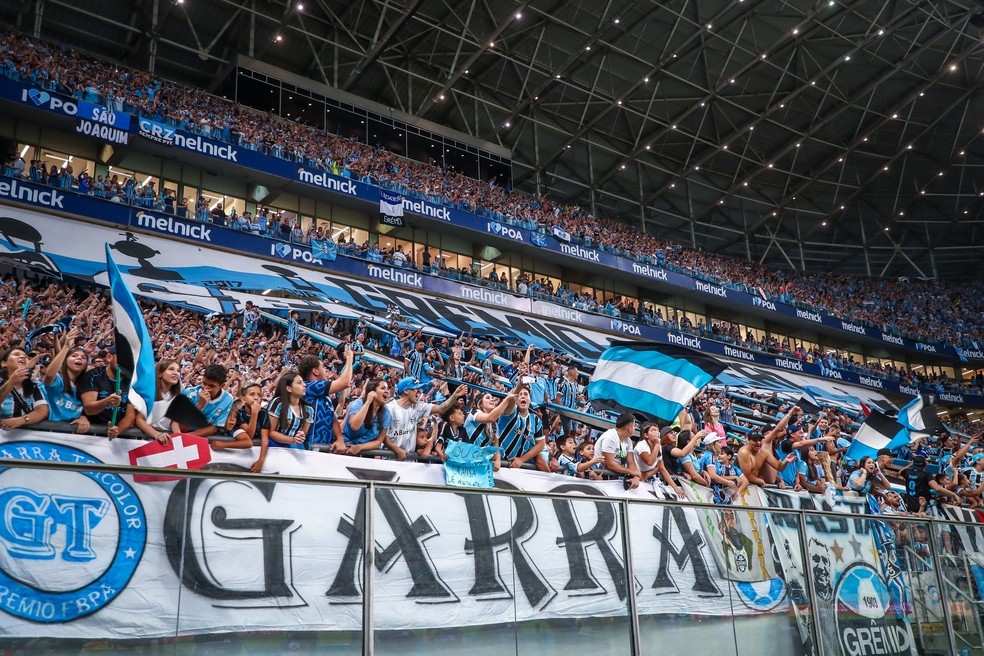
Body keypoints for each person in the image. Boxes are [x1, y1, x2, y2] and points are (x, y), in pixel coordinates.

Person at [385, 376, 467, 461]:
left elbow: (440, 409)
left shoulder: (418, 406)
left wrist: (454, 396)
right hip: (390, 459)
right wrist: (397, 450)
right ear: (406, 391)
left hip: (410, 461)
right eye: (415, 389)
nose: (418, 391)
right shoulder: (389, 408)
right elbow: (383, 435)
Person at [297, 349, 353, 453]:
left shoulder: (323, 394)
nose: (326, 370)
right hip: (309, 449)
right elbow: (344, 382)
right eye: (323, 367)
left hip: (324, 448)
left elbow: (332, 417)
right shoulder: (309, 386)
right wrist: (349, 359)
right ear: (315, 371)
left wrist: (340, 439)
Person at [40, 327, 89, 433]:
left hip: (67, 437)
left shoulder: (85, 387)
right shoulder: (59, 380)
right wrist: (66, 347)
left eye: (83, 357)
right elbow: (49, 375)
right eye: (74, 356)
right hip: (45, 432)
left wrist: (83, 417)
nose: (79, 358)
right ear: (65, 361)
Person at [79, 345, 134, 438]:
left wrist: (117, 430)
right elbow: (89, 409)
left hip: (119, 436)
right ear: (109, 357)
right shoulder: (93, 375)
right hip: (91, 435)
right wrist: (107, 401)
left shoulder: (132, 381)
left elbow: (130, 416)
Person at [176, 364, 234, 438]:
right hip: (185, 433)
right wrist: (199, 406)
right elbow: (182, 428)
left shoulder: (228, 399)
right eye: (204, 383)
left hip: (201, 438)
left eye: (211, 386)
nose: (206, 388)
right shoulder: (189, 393)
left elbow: (213, 428)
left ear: (222, 386)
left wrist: (188, 437)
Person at [497, 386, 547, 470]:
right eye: (519, 394)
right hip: (500, 462)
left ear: (530, 399)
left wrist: (521, 460)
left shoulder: (536, 420)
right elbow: (511, 401)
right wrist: (519, 385)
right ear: (515, 399)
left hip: (518, 466)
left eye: (526, 394)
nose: (523, 396)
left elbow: (541, 444)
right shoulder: (510, 412)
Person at [134, 359, 182, 444]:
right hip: (146, 440)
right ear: (159, 373)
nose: (176, 373)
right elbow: (139, 420)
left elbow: (174, 422)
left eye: (178, 371)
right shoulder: (149, 393)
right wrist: (157, 435)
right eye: (171, 369)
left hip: (166, 440)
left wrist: (179, 438)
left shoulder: (177, 396)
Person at [0, 346, 48, 430]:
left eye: (25, 356)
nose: (22, 357)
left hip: (23, 439)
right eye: (16, 354)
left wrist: (22, 420)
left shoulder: (33, 385)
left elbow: (42, 411)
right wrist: (11, 382)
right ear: (4, 363)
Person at [342, 377, 392, 455]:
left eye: (388, 389)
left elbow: (379, 441)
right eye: (383, 388)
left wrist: (360, 447)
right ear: (372, 391)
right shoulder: (357, 404)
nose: (387, 391)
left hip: (365, 451)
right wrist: (368, 402)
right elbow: (355, 426)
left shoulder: (386, 413)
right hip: (344, 448)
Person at [267, 371, 314, 450]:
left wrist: (300, 436)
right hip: (276, 446)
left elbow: (303, 433)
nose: (304, 385)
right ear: (289, 388)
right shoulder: (278, 403)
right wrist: (292, 440)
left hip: (297, 447)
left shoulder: (309, 408)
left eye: (303, 382)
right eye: (299, 383)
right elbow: (270, 432)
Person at [229, 382, 270, 472]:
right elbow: (249, 435)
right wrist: (254, 413)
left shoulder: (263, 413)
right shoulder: (239, 414)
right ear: (243, 399)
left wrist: (261, 460)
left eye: (259, 395)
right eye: (252, 394)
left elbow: (265, 438)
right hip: (242, 456)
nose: (256, 398)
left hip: (258, 453)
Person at [634, 421, 683, 496]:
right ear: (646, 435)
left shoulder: (658, 447)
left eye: (657, 430)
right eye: (653, 430)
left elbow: (662, 468)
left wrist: (675, 488)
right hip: (636, 477)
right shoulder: (641, 445)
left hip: (648, 478)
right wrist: (657, 444)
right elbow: (650, 462)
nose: (657, 432)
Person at [595, 412, 642, 489]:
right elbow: (609, 464)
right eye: (634, 426)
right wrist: (631, 472)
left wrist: (636, 476)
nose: (635, 429)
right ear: (629, 429)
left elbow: (631, 463)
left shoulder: (628, 440)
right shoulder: (610, 437)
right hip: (602, 477)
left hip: (616, 477)